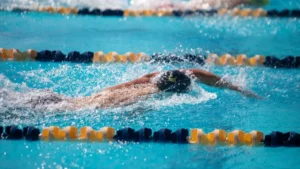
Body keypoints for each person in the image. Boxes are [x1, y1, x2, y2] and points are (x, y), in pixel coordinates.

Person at [26, 68, 259, 111]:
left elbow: (198, 74)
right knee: (65, 106)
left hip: (99, 96)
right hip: (98, 103)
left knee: (63, 100)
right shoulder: (151, 95)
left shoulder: (150, 82)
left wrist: (238, 89)